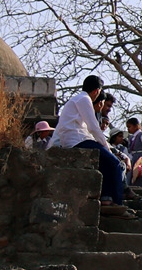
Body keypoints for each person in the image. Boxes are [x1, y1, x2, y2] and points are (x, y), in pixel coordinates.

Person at [47, 75, 128, 213]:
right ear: (96, 91)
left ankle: (107, 199)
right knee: (115, 163)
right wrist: (107, 147)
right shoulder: (84, 100)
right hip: (78, 140)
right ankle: (118, 204)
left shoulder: (76, 100)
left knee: (106, 163)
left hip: (77, 138)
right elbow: (93, 127)